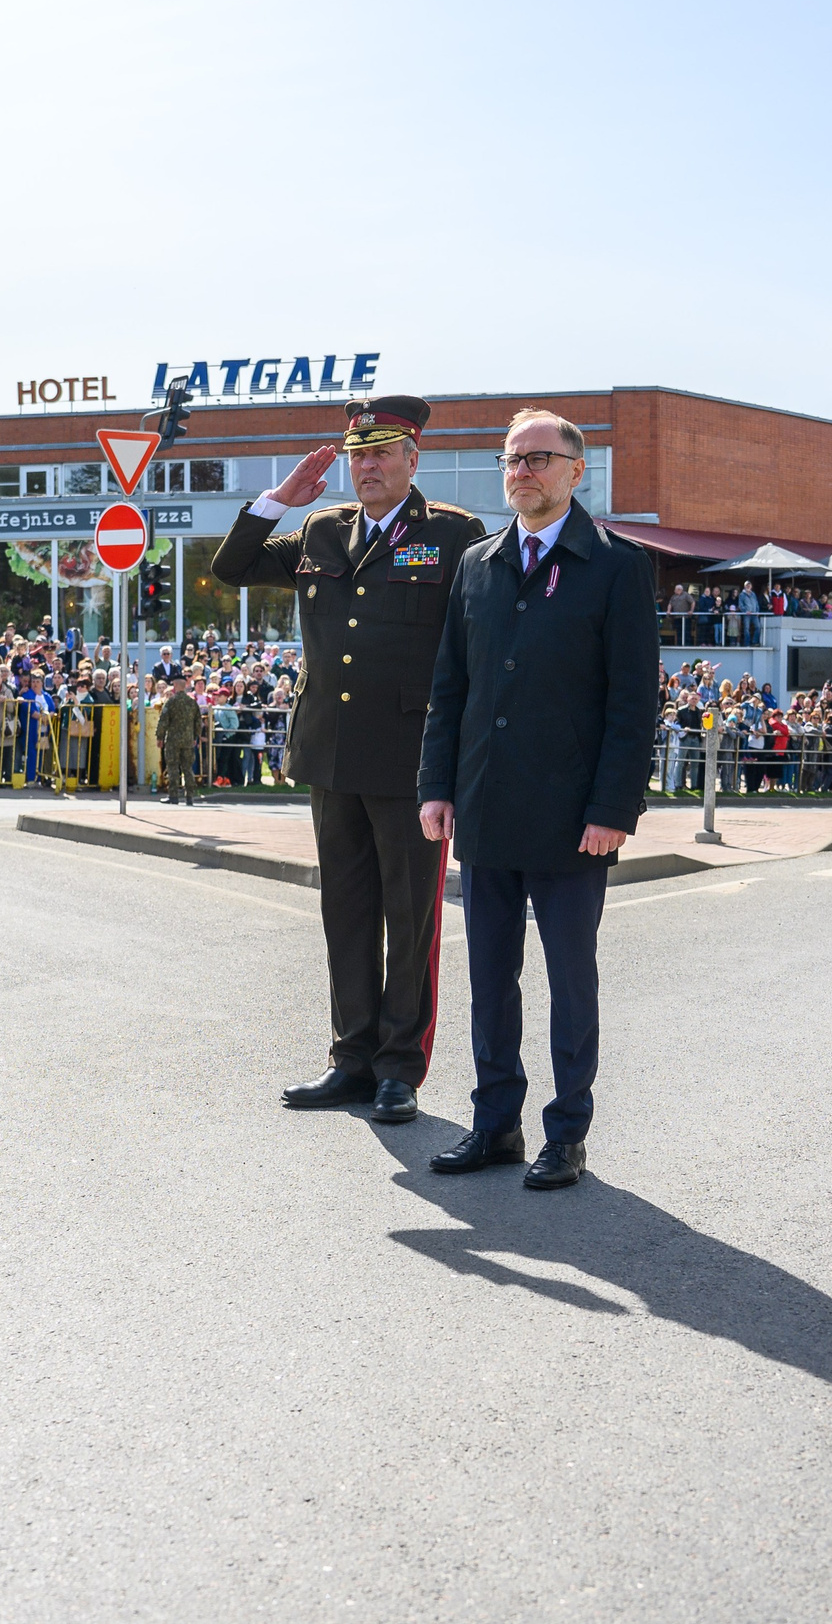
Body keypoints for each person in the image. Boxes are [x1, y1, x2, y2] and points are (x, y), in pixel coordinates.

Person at [210, 396, 486, 1125]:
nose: (367, 465)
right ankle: (351, 1058)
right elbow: (231, 567)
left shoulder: (453, 534)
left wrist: (459, 758)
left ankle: (399, 1068)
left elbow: (476, 647)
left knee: (411, 919)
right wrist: (277, 500)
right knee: (347, 912)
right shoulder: (320, 529)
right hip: (330, 753)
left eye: (382, 452)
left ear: (412, 460)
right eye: (358, 454)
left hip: (410, 760)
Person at [417, 409, 657, 1190]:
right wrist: (437, 785)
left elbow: (633, 702)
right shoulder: (478, 563)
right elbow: (450, 686)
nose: (521, 471)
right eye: (512, 459)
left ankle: (567, 1132)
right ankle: (495, 1123)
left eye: (538, 458)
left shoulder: (617, 566)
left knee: (569, 980)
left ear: (576, 471)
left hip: (571, 816)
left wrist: (613, 808)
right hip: (486, 805)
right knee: (490, 976)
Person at [157, 677, 201, 805]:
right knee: (187, 768)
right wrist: (195, 737)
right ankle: (190, 797)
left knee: (173, 767)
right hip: (188, 740)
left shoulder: (171, 702)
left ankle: (173, 796)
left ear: (175, 685)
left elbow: (163, 721)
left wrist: (160, 737)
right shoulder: (192, 702)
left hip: (173, 740)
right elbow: (198, 722)